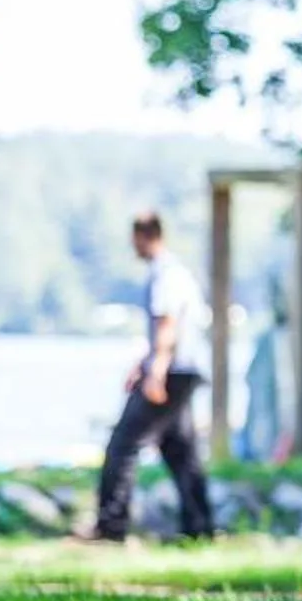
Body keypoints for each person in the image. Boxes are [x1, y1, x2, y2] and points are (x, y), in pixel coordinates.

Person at [90, 212, 217, 543]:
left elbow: (167, 325)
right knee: (179, 449)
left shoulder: (165, 275)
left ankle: (111, 525)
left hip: (172, 371)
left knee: (123, 444)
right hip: (183, 369)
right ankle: (199, 525)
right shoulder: (176, 272)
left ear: (144, 236)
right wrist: (143, 363)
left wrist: (155, 371)